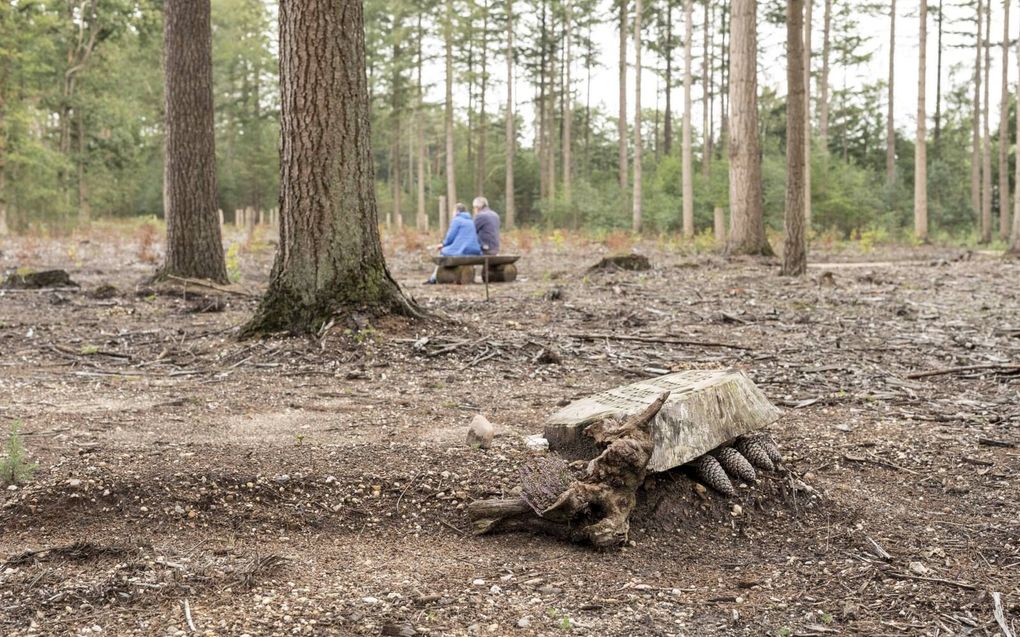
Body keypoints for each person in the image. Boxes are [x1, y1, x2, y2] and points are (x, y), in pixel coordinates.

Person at [425, 203, 481, 284]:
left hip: (463, 250)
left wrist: (443, 244)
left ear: (457, 211)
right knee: (447, 250)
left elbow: (450, 237)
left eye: (453, 211)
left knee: (443, 252)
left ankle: (434, 278)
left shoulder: (457, 220)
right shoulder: (470, 221)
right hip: (474, 250)